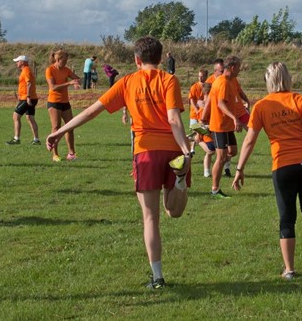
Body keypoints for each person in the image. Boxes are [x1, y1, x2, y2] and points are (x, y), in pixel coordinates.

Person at [46, 36, 193, 290]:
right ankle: (179, 180)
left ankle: (157, 277)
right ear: (159, 58)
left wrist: (60, 131)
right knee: (175, 211)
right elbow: (173, 118)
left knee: (151, 218)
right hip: (172, 150)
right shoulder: (169, 79)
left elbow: (92, 110)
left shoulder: (127, 82)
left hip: (145, 152)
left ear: (136, 60)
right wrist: (185, 150)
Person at [231, 62, 302, 280]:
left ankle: (289, 269)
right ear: (288, 78)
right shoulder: (301, 99)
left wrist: (239, 168)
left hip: (282, 166)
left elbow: (249, 140)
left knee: (287, 219)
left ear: (268, 81)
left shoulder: (262, 106)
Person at [208, 56, 248, 198]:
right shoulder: (223, 82)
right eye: (238, 67)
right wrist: (235, 119)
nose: (239, 69)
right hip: (219, 125)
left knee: (233, 151)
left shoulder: (231, 81)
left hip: (227, 125)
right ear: (232, 67)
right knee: (221, 157)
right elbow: (221, 104)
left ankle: (220, 165)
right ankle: (215, 189)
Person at [46, 49, 81, 162]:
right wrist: (69, 83)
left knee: (70, 127)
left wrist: (76, 82)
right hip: (54, 102)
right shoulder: (50, 70)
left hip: (65, 102)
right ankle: (55, 155)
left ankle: (71, 153)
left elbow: (76, 78)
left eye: (67, 60)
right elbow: (53, 87)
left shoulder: (66, 70)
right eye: (64, 60)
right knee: (56, 128)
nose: (66, 62)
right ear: (58, 59)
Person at [7, 55, 40, 145]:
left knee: (15, 116)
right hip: (29, 97)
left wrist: (27, 96)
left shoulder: (26, 70)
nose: (16, 63)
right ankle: (36, 140)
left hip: (27, 98)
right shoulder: (26, 70)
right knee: (30, 118)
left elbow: (28, 84)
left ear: (22, 62)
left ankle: (16, 139)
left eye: (17, 61)